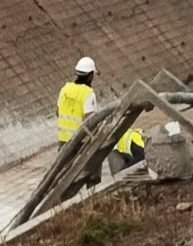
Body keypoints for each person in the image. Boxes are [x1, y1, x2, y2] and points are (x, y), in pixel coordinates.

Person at [56, 56, 146, 185]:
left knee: (61, 179)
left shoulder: (65, 89)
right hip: (82, 143)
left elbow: (58, 112)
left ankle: (60, 203)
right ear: (90, 75)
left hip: (64, 141)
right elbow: (91, 121)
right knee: (92, 173)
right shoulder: (88, 94)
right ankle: (91, 192)